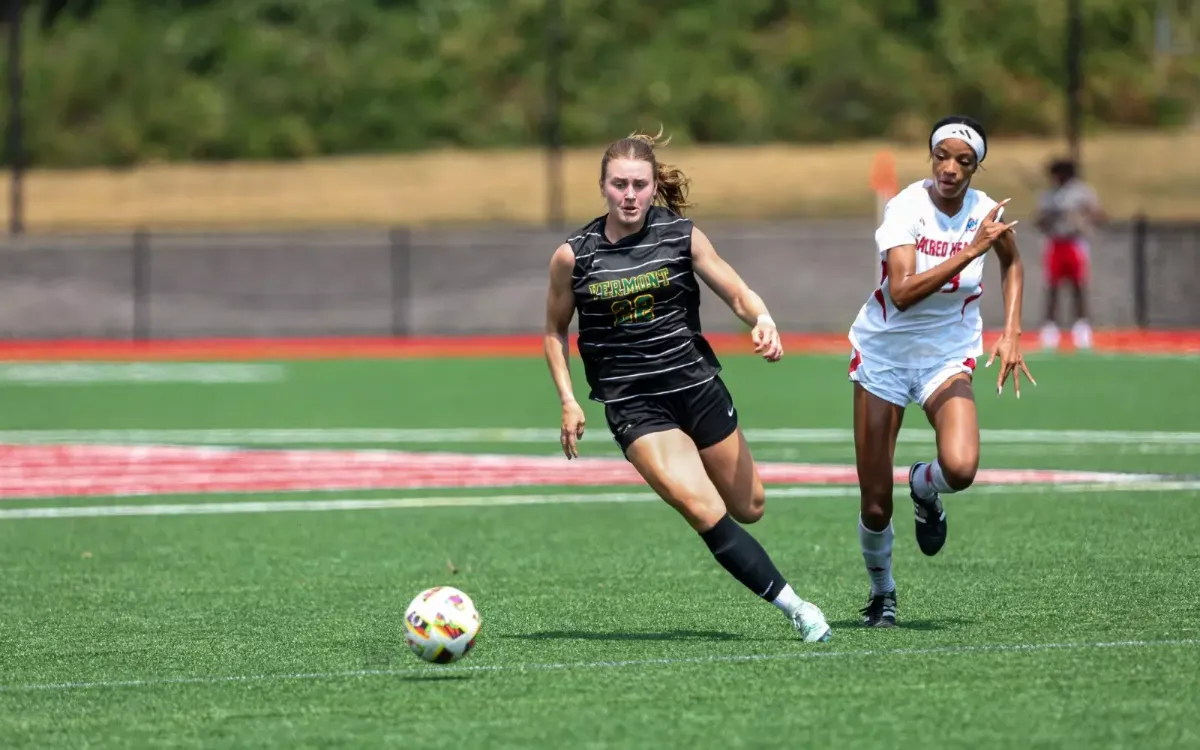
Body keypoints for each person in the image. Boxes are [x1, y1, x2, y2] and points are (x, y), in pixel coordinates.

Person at [542, 129, 832, 643]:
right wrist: (568, 399)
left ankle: (778, 582)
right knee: (703, 509)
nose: (629, 195)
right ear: (603, 187)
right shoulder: (574, 256)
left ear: (654, 187)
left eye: (639, 184)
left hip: (696, 383)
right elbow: (554, 332)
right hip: (634, 402)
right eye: (618, 185)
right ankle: (799, 609)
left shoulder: (681, 235)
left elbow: (736, 290)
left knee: (750, 507)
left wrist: (761, 319)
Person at [845, 115, 1035, 628]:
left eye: (963, 161)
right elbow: (902, 293)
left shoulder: (985, 210)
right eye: (941, 156)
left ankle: (924, 487)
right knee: (876, 505)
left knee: (961, 468)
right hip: (884, 354)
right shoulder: (906, 207)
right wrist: (972, 250)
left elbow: (1012, 262)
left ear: (977, 167)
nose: (950, 168)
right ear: (931, 157)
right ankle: (882, 591)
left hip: (945, 354)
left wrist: (1012, 330)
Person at [1035, 157, 1105, 350]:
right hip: (1055, 242)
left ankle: (1082, 328)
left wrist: (1080, 216)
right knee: (1052, 287)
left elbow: (1098, 214)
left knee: (1078, 286)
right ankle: (1050, 329)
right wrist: (1051, 215)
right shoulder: (1049, 195)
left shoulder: (1082, 192)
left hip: (1075, 242)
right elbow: (1039, 221)